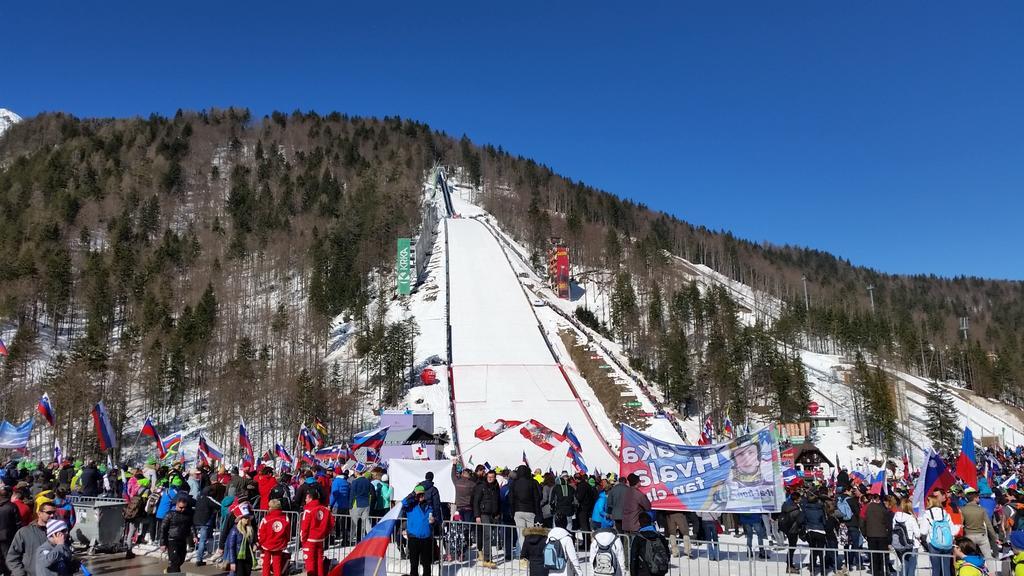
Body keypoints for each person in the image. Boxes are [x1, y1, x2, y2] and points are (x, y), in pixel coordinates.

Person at [6, 500, 55, 576]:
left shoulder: (59, 533)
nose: (52, 515)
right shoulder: (25, 532)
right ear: (39, 513)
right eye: (49, 513)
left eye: (54, 513)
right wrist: (19, 573)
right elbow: (12, 557)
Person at [961, 487, 999, 574]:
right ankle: (992, 573)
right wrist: (994, 537)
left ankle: (971, 572)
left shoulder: (963, 509)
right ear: (975, 498)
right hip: (981, 535)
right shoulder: (981, 510)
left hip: (969, 536)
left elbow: (961, 524)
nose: (979, 499)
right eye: (978, 497)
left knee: (969, 556)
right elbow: (989, 525)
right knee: (988, 556)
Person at [510, 465, 542, 563]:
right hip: (530, 511)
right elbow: (537, 498)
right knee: (531, 534)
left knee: (521, 535)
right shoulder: (533, 482)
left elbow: (511, 499)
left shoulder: (514, 483)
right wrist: (537, 511)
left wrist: (512, 511)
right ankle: (531, 554)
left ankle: (523, 556)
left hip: (518, 511)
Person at [920, 493, 958, 576]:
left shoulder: (927, 514)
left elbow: (923, 531)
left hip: (933, 543)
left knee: (936, 569)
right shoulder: (944, 513)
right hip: (947, 542)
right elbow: (952, 529)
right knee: (946, 568)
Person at [402, 485, 436, 576]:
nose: (421, 496)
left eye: (422, 494)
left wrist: (433, 521)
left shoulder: (429, 506)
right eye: (419, 494)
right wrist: (413, 493)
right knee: (414, 564)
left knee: (426, 565)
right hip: (414, 538)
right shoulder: (410, 506)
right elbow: (403, 502)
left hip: (426, 539)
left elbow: (434, 520)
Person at [300, 490, 334, 576]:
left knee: (310, 562)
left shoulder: (308, 511)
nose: (305, 500)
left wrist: (303, 540)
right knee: (319, 561)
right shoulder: (325, 509)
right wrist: (324, 533)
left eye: (306, 498)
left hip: (310, 540)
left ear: (311, 498)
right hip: (320, 539)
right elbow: (331, 523)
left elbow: (304, 527)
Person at [472, 470, 501, 568]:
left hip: (493, 514)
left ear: (495, 477)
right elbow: (476, 501)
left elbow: (498, 500)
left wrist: (498, 513)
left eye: (492, 477)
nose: (490, 478)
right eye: (489, 477)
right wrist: (477, 516)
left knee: (490, 536)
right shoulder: (481, 486)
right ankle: (487, 559)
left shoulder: (496, 486)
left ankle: (488, 557)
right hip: (483, 514)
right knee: (487, 535)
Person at [862, 492, 893, 576]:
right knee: (882, 556)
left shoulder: (866, 507)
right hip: (882, 535)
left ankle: (876, 573)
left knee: (874, 556)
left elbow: (862, 521)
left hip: (871, 535)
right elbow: (889, 525)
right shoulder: (883, 509)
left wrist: (865, 533)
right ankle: (883, 572)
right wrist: (889, 538)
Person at [193, 482, 224, 567]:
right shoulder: (208, 498)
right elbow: (219, 505)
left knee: (199, 539)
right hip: (204, 522)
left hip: (196, 520)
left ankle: (199, 551)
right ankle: (199, 559)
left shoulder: (199, 497)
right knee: (202, 540)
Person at [160, 495, 193, 574]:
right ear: (176, 505)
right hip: (172, 540)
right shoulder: (169, 514)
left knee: (180, 561)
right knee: (175, 562)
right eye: (180, 507)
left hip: (182, 540)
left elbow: (191, 526)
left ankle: (169, 570)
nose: (182, 509)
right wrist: (162, 543)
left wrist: (194, 536)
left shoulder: (187, 515)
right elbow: (163, 529)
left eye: (184, 507)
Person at [258, 499, 291, 576]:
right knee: (277, 565)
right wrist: (286, 542)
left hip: (267, 544)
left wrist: (260, 544)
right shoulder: (285, 519)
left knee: (266, 564)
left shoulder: (266, 519)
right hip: (279, 544)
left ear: (271, 508)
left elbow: (261, 533)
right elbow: (287, 533)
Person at [892, 498, 922, 576]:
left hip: (900, 543)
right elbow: (918, 534)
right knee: (912, 566)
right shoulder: (911, 518)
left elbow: (893, 528)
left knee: (904, 565)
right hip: (911, 544)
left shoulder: (896, 516)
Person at [779, 491, 804, 574]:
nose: (800, 499)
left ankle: (790, 565)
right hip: (793, 530)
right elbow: (800, 521)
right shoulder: (795, 510)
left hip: (786, 528)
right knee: (792, 548)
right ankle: (789, 566)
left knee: (791, 547)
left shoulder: (785, 504)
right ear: (796, 500)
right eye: (799, 498)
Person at [0, 487, 20, 576]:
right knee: (7, 556)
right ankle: (7, 572)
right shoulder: (12, 506)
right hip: (7, 536)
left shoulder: (11, 506)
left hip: (6, 535)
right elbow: (18, 523)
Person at [330, 469, 351, 544]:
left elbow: (334, 494)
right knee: (344, 523)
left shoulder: (336, 482)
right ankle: (345, 539)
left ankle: (332, 539)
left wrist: (330, 504)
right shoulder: (346, 482)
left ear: (335, 473)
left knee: (333, 522)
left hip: (337, 505)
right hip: (345, 505)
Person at [349, 472, 372, 540]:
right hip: (366, 503)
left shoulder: (355, 481)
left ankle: (351, 538)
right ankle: (371, 537)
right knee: (366, 522)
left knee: (354, 523)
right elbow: (370, 492)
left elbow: (352, 494)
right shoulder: (367, 481)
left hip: (357, 504)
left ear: (357, 473)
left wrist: (350, 505)